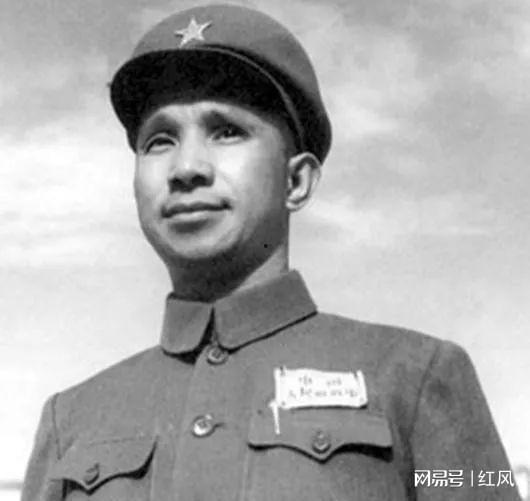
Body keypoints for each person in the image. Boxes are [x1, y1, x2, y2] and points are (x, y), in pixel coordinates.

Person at [22, 4, 521, 500]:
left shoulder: (416, 378)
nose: (186, 168)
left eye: (227, 131)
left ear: (296, 180)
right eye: (159, 141)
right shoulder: (72, 421)